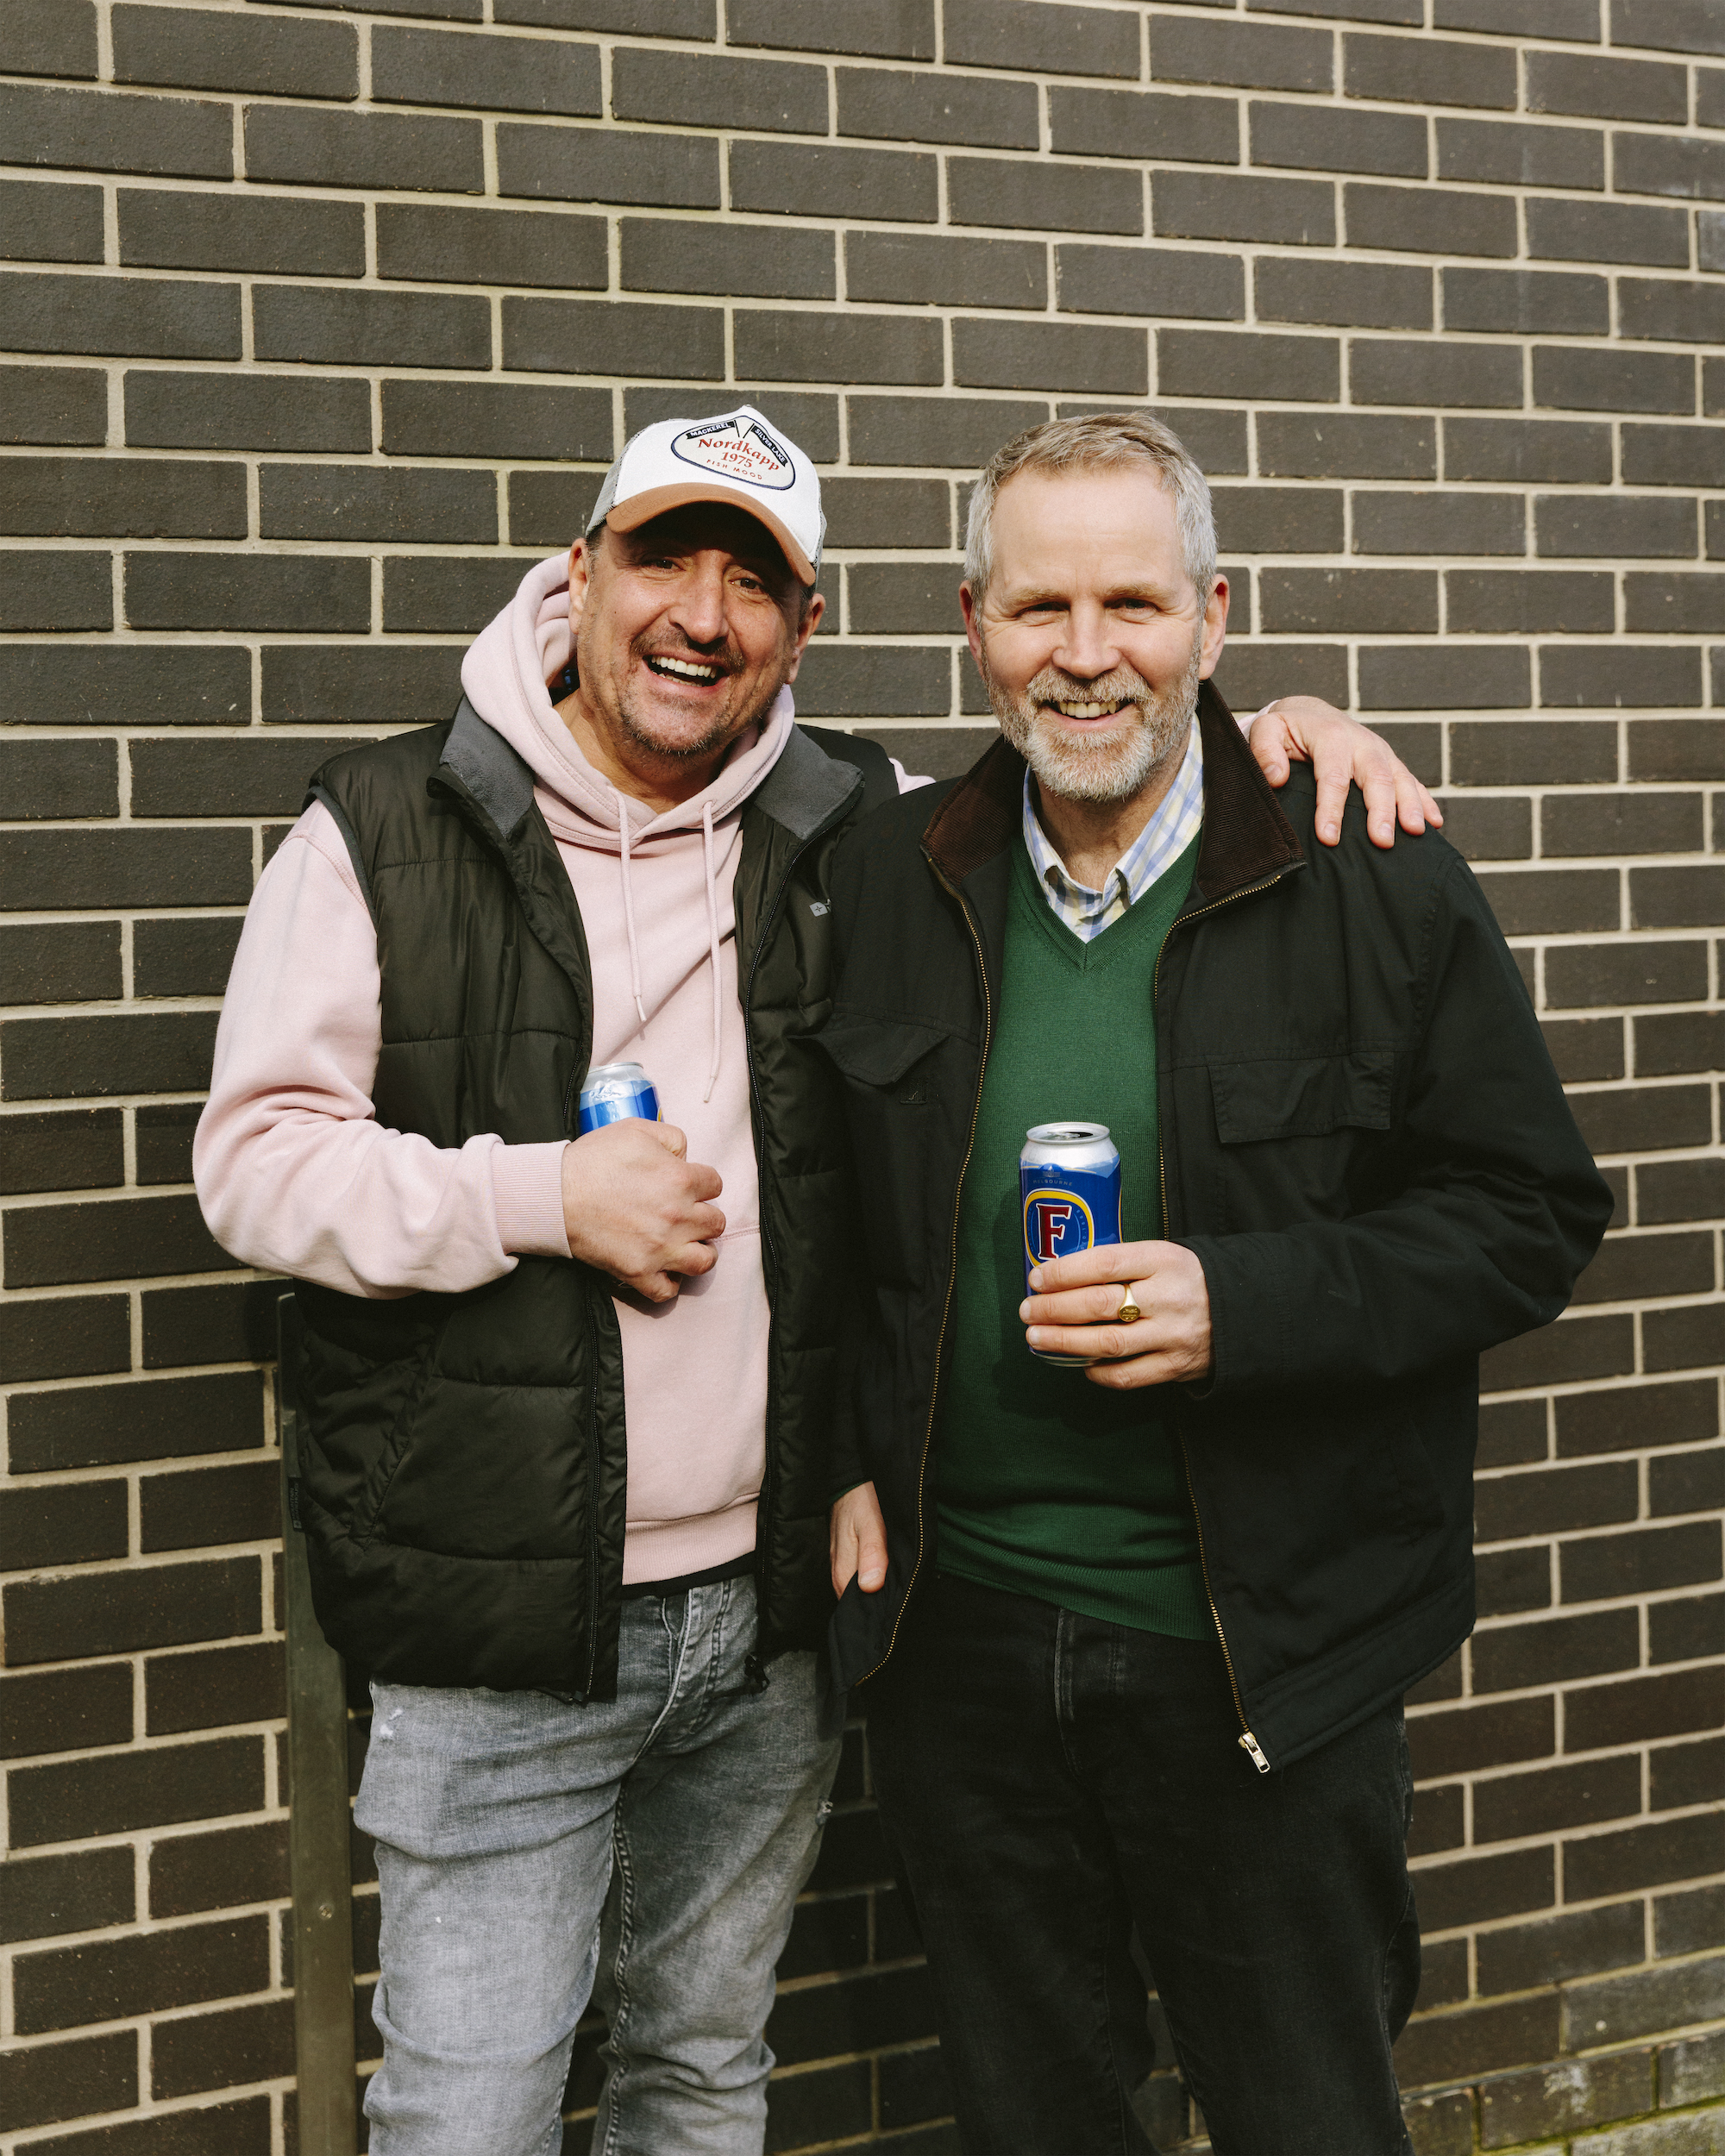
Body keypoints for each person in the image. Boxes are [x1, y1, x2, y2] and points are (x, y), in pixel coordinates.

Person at [196, 398, 1438, 2154]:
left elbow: (1120, 756)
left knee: (702, 2071)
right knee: (470, 2107)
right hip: (506, 1611)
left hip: (779, 1605)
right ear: (578, 571)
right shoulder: (387, 824)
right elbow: (251, 1164)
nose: (702, 611)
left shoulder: (864, 821)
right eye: (663, 557)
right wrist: (540, 1194)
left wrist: (1287, 739)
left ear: (809, 625)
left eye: (754, 577)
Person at [823, 413, 1612, 2156]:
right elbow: (830, 1224)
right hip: (963, 1651)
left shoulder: (1369, 870)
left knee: (1304, 2115)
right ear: (970, 621)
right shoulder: (888, 876)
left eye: (1132, 601)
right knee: (1035, 2119)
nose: (1085, 653)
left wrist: (1240, 1303)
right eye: (1037, 607)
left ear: (1214, 615)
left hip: (1261, 1650)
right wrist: (839, 1458)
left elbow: (1527, 1211)